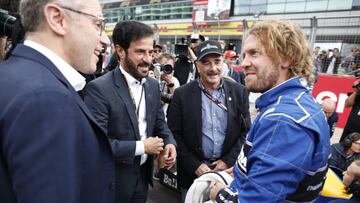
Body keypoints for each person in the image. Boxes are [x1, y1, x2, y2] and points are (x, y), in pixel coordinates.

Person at [0, 0, 115, 202]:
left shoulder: (13, 76)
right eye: (98, 24)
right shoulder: (46, 98)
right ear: (57, 19)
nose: (105, 40)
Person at [209, 20, 330, 202]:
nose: (244, 63)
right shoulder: (292, 102)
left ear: (286, 58)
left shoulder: (284, 120)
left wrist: (218, 193)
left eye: (254, 53)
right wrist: (241, 171)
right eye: (244, 55)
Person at [84, 21, 177, 203]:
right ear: (120, 51)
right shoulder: (98, 89)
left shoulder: (151, 85)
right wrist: (143, 147)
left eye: (150, 52)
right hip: (110, 185)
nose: (148, 59)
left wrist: (169, 142)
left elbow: (159, 122)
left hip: (142, 182)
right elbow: (96, 146)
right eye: (140, 52)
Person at [167, 40, 251, 202]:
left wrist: (227, 161)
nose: (213, 68)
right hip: (192, 175)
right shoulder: (182, 95)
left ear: (223, 63)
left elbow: (246, 132)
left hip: (226, 174)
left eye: (217, 62)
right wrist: (195, 165)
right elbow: (174, 134)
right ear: (197, 66)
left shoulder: (239, 92)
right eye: (206, 63)